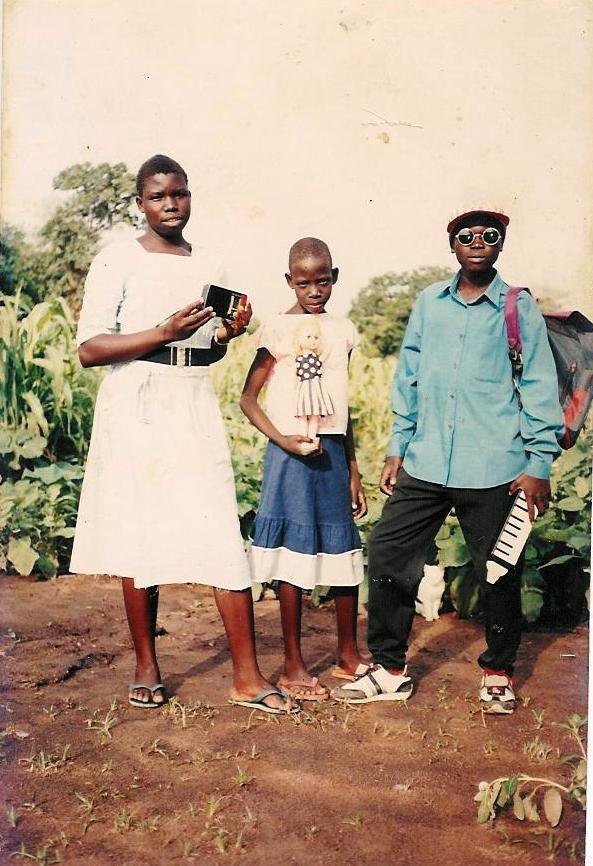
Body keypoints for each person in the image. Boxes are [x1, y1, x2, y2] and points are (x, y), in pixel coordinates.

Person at [70, 154, 294, 714]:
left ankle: (246, 674)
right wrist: (161, 330)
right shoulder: (116, 259)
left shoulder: (208, 261)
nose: (171, 205)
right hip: (135, 402)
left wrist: (227, 334)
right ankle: (147, 664)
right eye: (158, 196)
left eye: (181, 194)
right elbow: (90, 349)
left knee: (218, 524)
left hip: (190, 400)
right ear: (140, 203)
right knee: (139, 531)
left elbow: (207, 346)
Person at [332, 210, 564, 713]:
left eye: (490, 236)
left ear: (500, 245)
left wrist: (539, 463)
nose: (477, 242)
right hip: (427, 460)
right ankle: (391, 669)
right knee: (390, 553)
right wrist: (398, 445)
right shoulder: (428, 304)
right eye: (466, 236)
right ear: (452, 246)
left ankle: (498, 672)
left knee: (499, 572)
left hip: (497, 466)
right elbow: (408, 377)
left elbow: (540, 385)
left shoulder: (516, 307)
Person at [240, 237, 369, 700]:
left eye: (322, 281)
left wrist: (352, 468)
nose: (313, 290)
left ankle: (348, 654)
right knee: (292, 555)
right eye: (303, 282)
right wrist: (284, 442)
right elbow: (248, 400)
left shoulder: (344, 330)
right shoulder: (275, 329)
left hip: (332, 455)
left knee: (343, 551)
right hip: (288, 457)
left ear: (334, 277)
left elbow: (344, 407)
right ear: (289, 281)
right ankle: (293, 664)